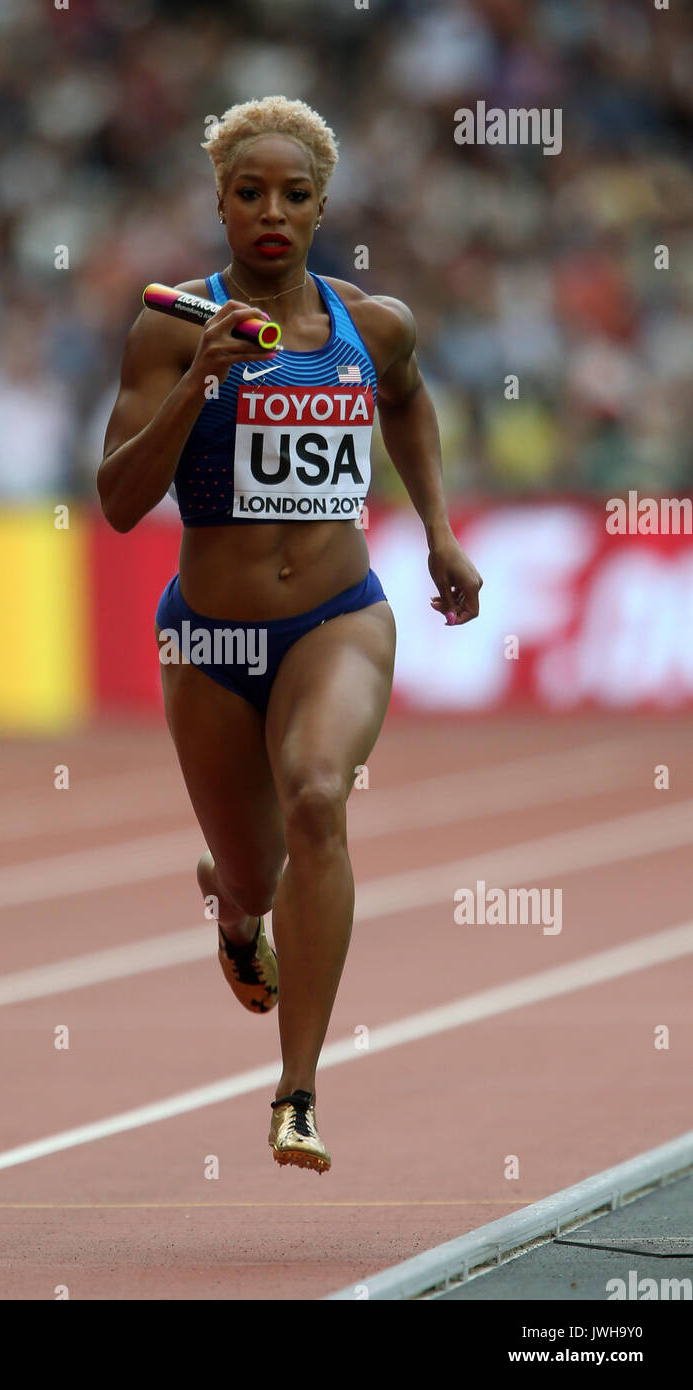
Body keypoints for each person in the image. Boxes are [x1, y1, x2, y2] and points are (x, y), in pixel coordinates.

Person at [98, 96, 482, 1173]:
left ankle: (296, 1089)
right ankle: (233, 917)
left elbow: (405, 400)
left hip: (337, 617)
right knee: (251, 872)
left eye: (294, 195)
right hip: (211, 641)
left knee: (319, 794)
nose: (272, 210)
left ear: (322, 208)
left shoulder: (375, 324)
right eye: (249, 192)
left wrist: (440, 533)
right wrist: (199, 384)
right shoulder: (172, 326)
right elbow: (119, 501)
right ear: (219, 204)